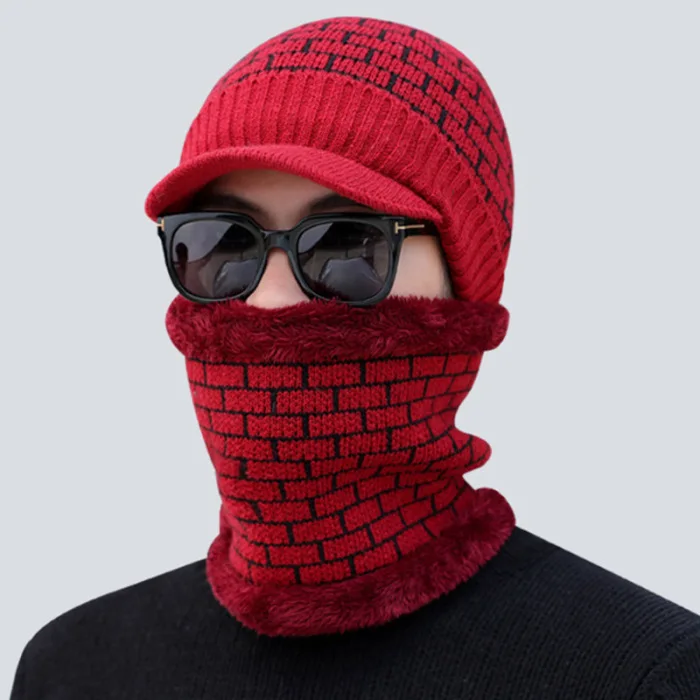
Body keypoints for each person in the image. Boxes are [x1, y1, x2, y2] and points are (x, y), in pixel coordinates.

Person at [9, 14, 700, 700]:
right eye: (222, 242)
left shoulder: (640, 674)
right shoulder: (71, 669)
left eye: (346, 242)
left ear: (468, 291)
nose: (269, 303)